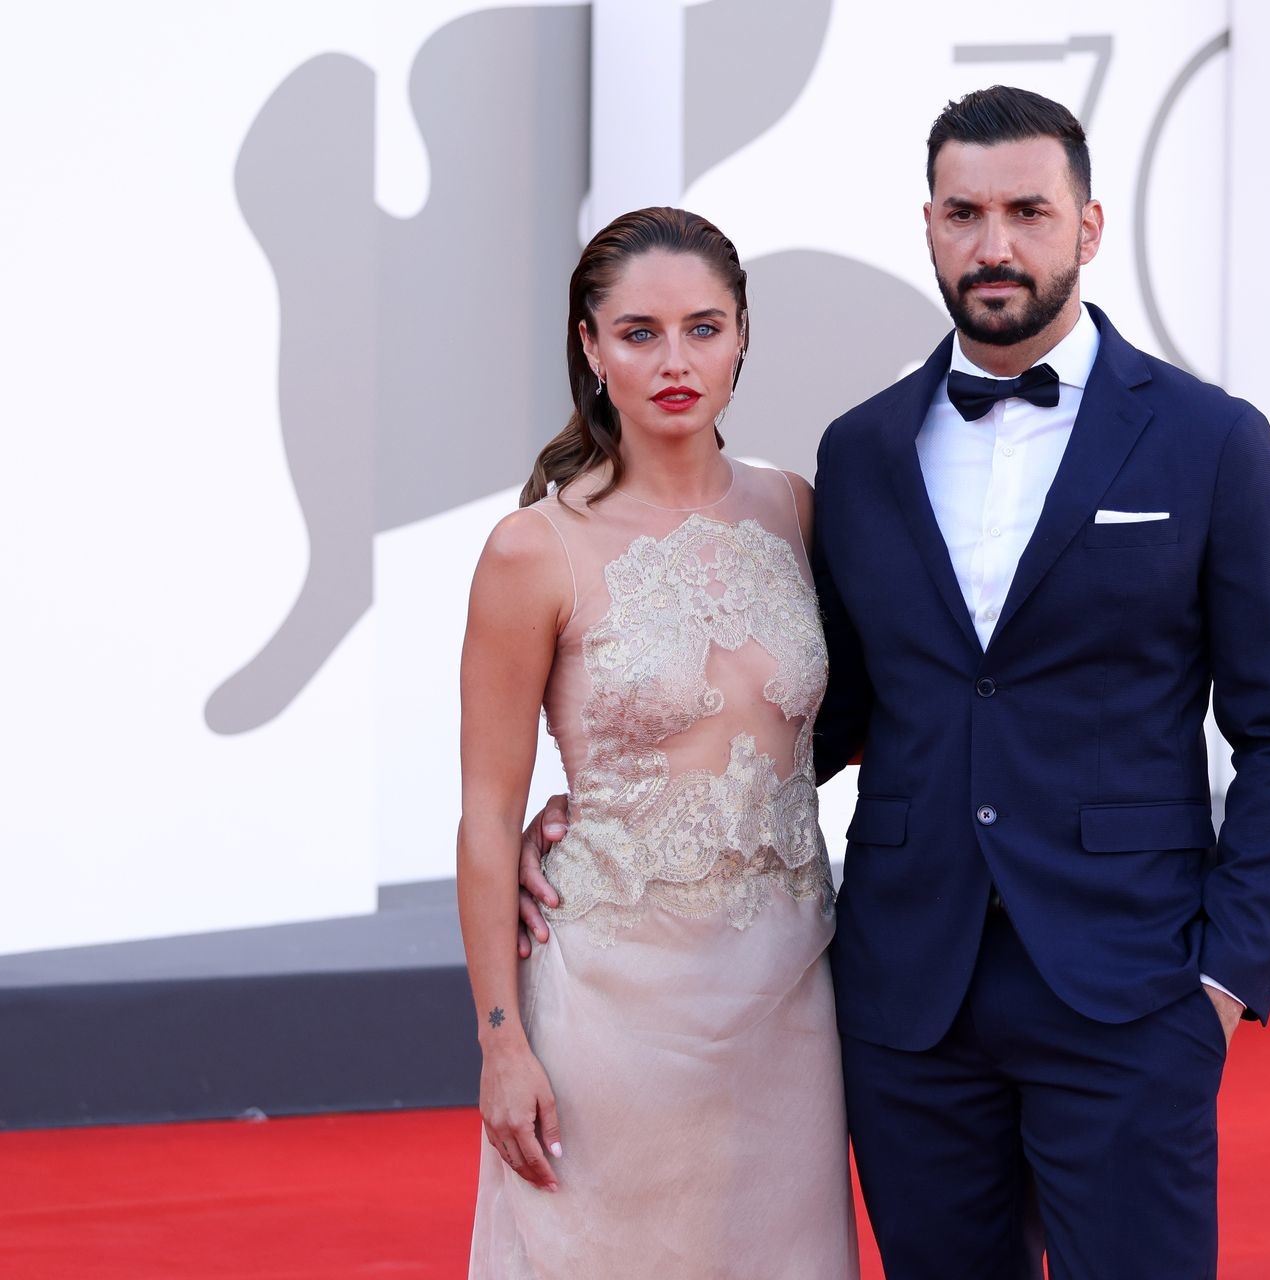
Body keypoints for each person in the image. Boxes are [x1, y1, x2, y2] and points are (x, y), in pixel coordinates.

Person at [522, 86, 1270, 1278]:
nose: (994, 244)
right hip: (908, 995)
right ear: (930, 225)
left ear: (1088, 226)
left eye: (1027, 212)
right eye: (965, 213)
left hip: (1130, 985)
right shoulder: (861, 450)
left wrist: (1224, 975)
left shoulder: (1212, 442)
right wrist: (619, 808)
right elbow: (832, 705)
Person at [458, 206, 856, 1278]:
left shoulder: (796, 510)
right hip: (610, 1010)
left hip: (789, 996)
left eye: (702, 328)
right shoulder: (534, 548)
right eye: (639, 333)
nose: (675, 361)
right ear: (591, 347)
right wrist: (501, 1041)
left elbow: (863, 718)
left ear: (742, 337)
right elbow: (487, 814)